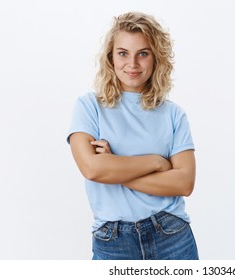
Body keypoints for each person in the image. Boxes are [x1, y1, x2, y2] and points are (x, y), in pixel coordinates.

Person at [67, 11, 198, 260]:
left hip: (172, 236)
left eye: (143, 53)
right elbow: (93, 169)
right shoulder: (89, 106)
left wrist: (115, 168)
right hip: (113, 241)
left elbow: (183, 183)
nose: (133, 64)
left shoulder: (173, 114)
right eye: (123, 53)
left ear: (155, 57)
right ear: (111, 57)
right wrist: (158, 162)